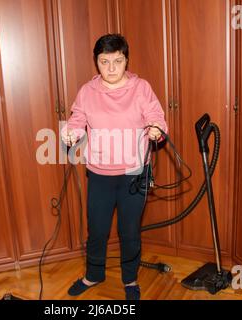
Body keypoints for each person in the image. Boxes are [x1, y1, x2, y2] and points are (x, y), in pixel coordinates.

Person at [61, 34, 167, 300]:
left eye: (117, 61)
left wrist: (157, 130)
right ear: (96, 62)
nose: (111, 68)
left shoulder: (141, 88)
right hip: (99, 174)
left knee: (129, 230)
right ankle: (93, 275)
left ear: (126, 61)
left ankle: (130, 280)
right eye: (104, 61)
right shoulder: (87, 91)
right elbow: (77, 118)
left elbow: (156, 117)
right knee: (97, 229)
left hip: (134, 171)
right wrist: (71, 132)